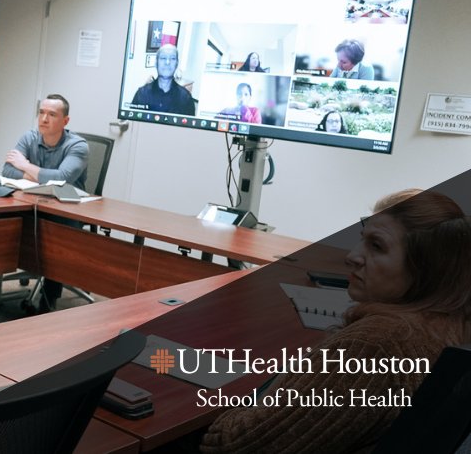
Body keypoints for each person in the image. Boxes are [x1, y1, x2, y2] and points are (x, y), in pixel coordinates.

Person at [201, 189, 471, 453]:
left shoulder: (374, 346)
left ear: (424, 271)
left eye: (377, 246)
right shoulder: (447, 328)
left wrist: (263, 390)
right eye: (362, 239)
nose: (352, 256)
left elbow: (232, 444)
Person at [0, 94, 89, 312]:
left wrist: (26, 167)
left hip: (66, 208)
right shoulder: (29, 137)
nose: (44, 119)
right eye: (41, 112)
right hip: (31, 201)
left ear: (65, 121)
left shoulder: (78, 146)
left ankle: (49, 297)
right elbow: (8, 170)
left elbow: (62, 178)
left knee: (56, 236)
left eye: (52, 114)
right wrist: (37, 173)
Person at [131, 44, 196, 115]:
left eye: (172, 58)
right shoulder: (141, 94)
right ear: (156, 63)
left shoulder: (186, 98)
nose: (167, 62)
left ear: (177, 64)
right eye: (163, 58)